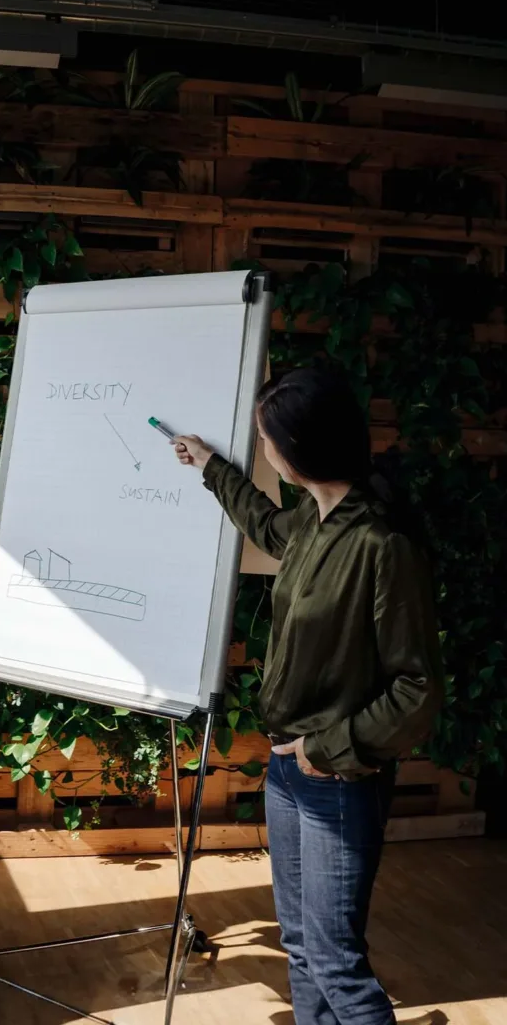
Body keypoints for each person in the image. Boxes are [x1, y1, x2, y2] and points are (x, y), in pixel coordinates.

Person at [171, 365, 443, 1025]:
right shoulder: (311, 525)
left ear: (298, 451)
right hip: (288, 771)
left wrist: (328, 749)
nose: (263, 449)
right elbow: (263, 523)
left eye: (267, 439)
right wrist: (209, 466)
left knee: (336, 962)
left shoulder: (382, 545)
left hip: (338, 778)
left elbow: (419, 690)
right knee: (300, 948)